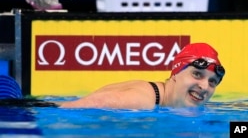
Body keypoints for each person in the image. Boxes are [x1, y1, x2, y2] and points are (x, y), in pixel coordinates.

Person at [58, 42, 225, 109]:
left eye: (212, 82)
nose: (204, 86)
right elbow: (81, 106)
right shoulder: (141, 101)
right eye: (197, 74)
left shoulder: (163, 100)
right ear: (175, 72)